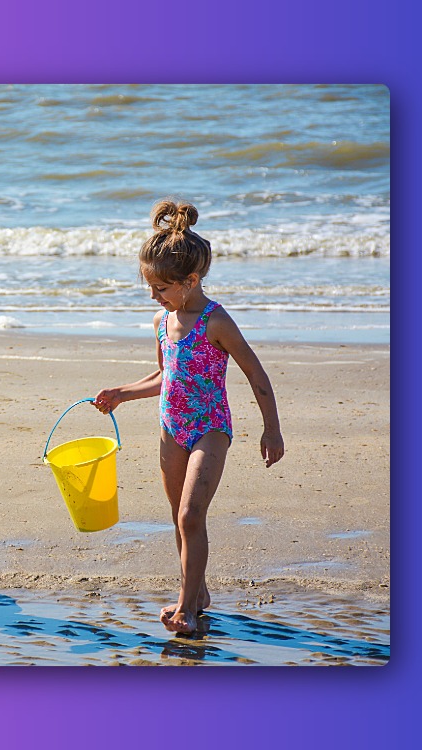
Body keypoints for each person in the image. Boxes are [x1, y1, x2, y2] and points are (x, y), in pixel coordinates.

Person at [94, 199, 284, 635]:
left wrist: (271, 428)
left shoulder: (215, 321)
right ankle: (197, 594)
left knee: (190, 517)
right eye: (151, 287)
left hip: (210, 428)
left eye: (161, 287)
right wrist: (122, 393)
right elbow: (166, 375)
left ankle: (187, 610)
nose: (154, 296)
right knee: (178, 517)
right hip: (171, 427)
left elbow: (256, 373)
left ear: (191, 280)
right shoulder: (162, 321)